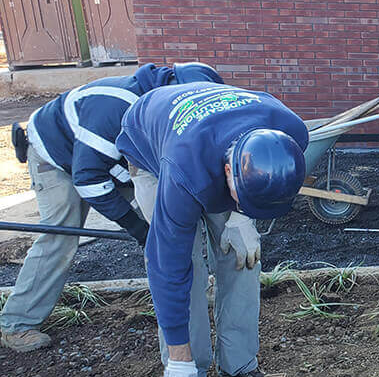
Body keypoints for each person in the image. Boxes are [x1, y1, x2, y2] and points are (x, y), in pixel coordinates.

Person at [0, 63, 224, 352]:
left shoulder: (159, 107)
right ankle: (16, 323)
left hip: (109, 156)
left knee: (168, 213)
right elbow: (89, 180)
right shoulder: (115, 110)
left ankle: (189, 291)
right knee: (62, 234)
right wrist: (138, 228)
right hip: (57, 156)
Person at [115, 81, 308, 377]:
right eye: (240, 199)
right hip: (154, 153)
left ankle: (240, 367)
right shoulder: (182, 172)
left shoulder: (291, 131)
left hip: (219, 138)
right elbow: (167, 269)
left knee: (243, 257)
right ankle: (189, 372)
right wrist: (180, 360)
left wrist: (242, 218)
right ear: (229, 172)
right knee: (185, 266)